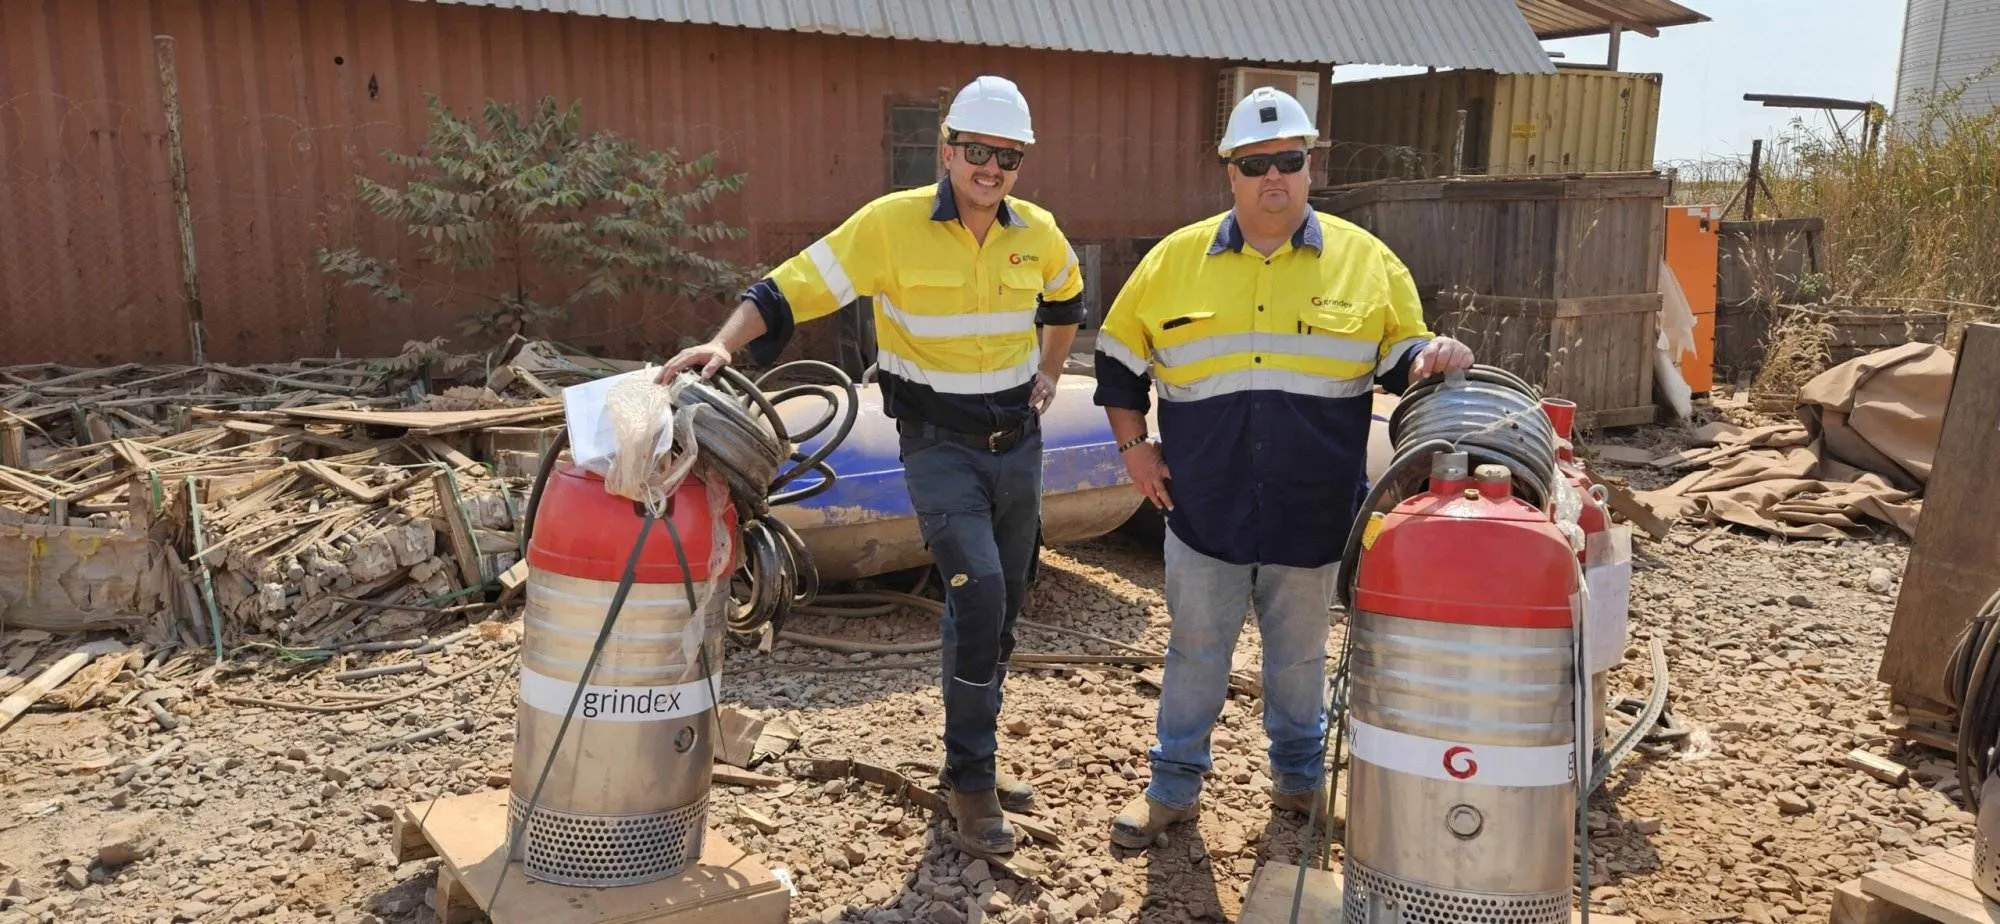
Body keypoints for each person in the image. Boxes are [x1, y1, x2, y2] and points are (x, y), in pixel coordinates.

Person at [657, 74, 1086, 858]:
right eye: (979, 151)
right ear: (948, 149)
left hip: (1016, 446)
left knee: (1006, 600)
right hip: (938, 447)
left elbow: (1065, 303)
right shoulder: (889, 227)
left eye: (1009, 156)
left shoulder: (1040, 233)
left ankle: (974, 746)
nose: (991, 168)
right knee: (979, 591)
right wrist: (725, 342)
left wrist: (1051, 372)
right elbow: (785, 290)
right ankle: (972, 781)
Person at [1089, 86, 1475, 849]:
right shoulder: (1172, 263)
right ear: (1229, 172)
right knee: (1196, 652)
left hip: (1314, 508)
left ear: (1310, 167)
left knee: (1299, 659)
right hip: (1204, 506)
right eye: (1256, 164)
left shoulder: (1368, 263)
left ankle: (1299, 785)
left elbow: (1406, 360)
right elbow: (1116, 364)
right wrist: (1134, 450)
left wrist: (1438, 357)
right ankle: (1172, 791)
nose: (1275, 178)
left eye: (1289, 162)